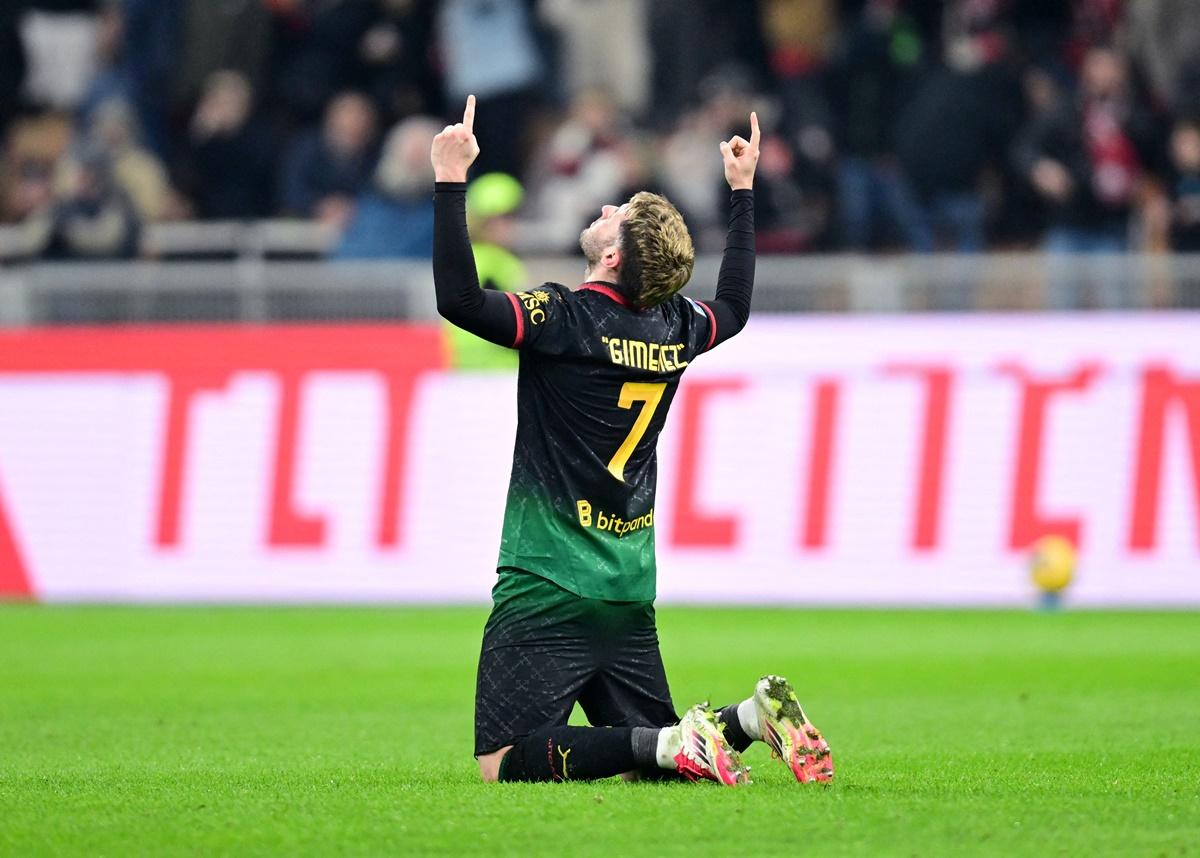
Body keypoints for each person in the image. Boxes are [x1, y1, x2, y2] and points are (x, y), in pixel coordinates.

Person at [431, 96, 833, 786]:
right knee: (664, 750)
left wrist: (448, 180)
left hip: (549, 576)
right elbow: (732, 307)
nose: (605, 211)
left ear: (613, 254)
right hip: (626, 583)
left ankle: (682, 744)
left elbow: (461, 303)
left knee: (502, 762)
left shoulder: (562, 315)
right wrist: (743, 193)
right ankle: (748, 718)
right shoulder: (676, 325)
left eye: (616, 213)